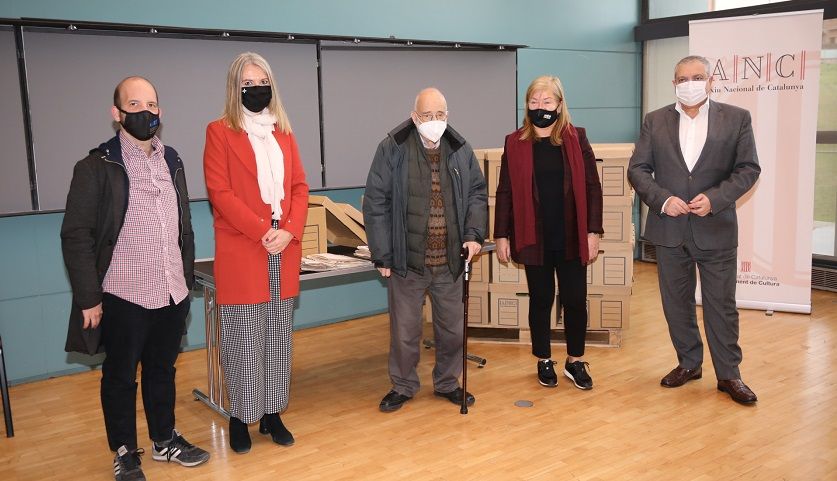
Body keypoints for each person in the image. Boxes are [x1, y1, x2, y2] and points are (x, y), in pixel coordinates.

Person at [61, 76, 210, 481]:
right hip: (123, 294)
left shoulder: (172, 159)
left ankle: (165, 440)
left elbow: (184, 226)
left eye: (152, 104)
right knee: (121, 376)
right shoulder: (96, 166)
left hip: (170, 292)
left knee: (163, 369)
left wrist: (185, 279)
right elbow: (76, 235)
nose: (146, 112)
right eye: (135, 104)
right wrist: (89, 298)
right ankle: (125, 450)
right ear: (117, 114)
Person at [627, 55, 761, 405]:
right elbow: (638, 169)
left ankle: (729, 374)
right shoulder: (654, 121)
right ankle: (689, 363)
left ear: (710, 80)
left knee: (721, 305)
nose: (689, 83)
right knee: (676, 304)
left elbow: (748, 169)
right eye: (682, 78)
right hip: (669, 228)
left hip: (715, 228)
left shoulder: (736, 119)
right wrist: (662, 199)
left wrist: (715, 198)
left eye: (696, 76)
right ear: (674, 84)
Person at [203, 52, 309, 453]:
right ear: (235, 88)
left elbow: (299, 187)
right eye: (247, 83)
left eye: (262, 81)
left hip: (283, 248)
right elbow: (220, 193)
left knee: (278, 336)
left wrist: (290, 231)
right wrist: (265, 231)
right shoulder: (219, 131)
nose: (256, 89)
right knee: (243, 338)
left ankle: (272, 412)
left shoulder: (284, 132)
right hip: (243, 247)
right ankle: (240, 416)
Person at [364, 87, 487, 413]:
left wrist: (474, 234)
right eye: (428, 116)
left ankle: (448, 383)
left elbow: (477, 193)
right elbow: (376, 201)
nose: (435, 121)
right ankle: (402, 386)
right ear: (415, 116)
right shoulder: (393, 148)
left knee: (452, 331)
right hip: (408, 262)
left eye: (440, 115)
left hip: (449, 261)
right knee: (405, 333)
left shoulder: (460, 148)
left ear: (448, 115)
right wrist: (383, 254)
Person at [494, 75, 603, 391]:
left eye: (547, 102)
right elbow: (505, 191)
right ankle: (543, 359)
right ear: (526, 104)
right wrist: (502, 235)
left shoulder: (575, 138)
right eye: (534, 102)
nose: (540, 107)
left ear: (559, 104)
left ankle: (574, 361)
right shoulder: (515, 142)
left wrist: (593, 231)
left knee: (575, 300)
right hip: (533, 235)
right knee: (541, 299)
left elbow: (592, 187)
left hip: (571, 234)